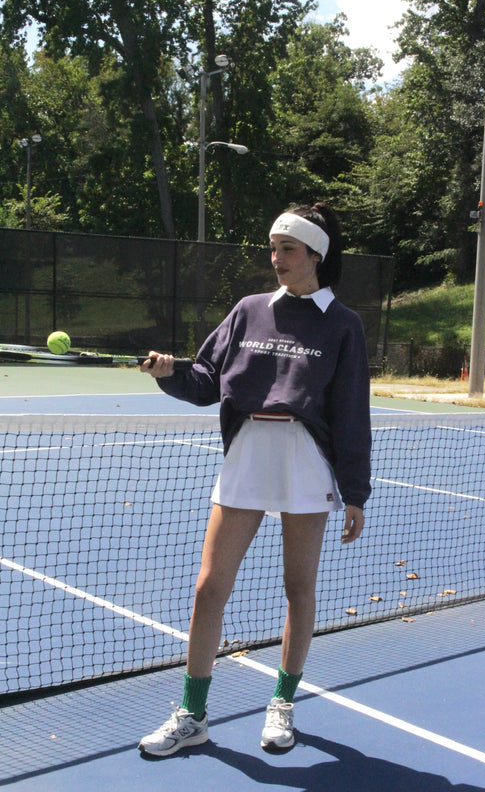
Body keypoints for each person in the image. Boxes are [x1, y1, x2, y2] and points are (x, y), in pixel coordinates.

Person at [138, 201, 372, 756]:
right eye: (273, 248)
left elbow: (350, 413)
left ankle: (282, 705)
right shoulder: (247, 311)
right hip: (247, 453)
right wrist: (169, 372)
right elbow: (205, 381)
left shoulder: (343, 324)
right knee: (209, 586)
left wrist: (355, 491)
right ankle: (192, 715)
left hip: (306, 461)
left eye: (287, 249)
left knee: (298, 590)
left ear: (317, 253)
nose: (276, 258)